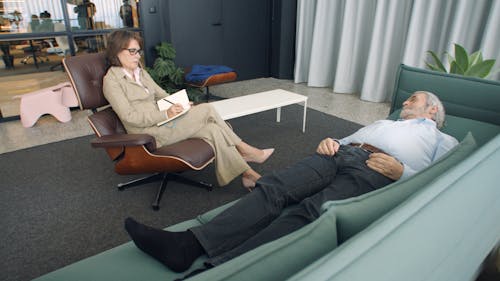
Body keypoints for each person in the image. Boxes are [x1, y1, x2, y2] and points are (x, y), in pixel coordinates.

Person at [123, 90, 458, 276]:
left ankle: (223, 270)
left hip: (375, 170)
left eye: (412, 100)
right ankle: (188, 246)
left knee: (311, 212)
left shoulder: (443, 140)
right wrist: (331, 140)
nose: (405, 103)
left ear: (432, 111)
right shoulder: (383, 122)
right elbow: (348, 137)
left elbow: (444, 180)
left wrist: (402, 174)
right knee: (275, 188)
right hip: (338, 154)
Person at [103, 30, 273, 189]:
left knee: (213, 129)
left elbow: (161, 94)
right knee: (206, 109)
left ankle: (248, 175)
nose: (137, 56)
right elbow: (129, 117)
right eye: (132, 51)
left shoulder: (140, 72)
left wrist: (180, 103)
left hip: (165, 123)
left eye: (138, 51)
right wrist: (165, 113)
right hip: (149, 133)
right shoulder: (112, 81)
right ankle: (245, 149)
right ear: (117, 51)